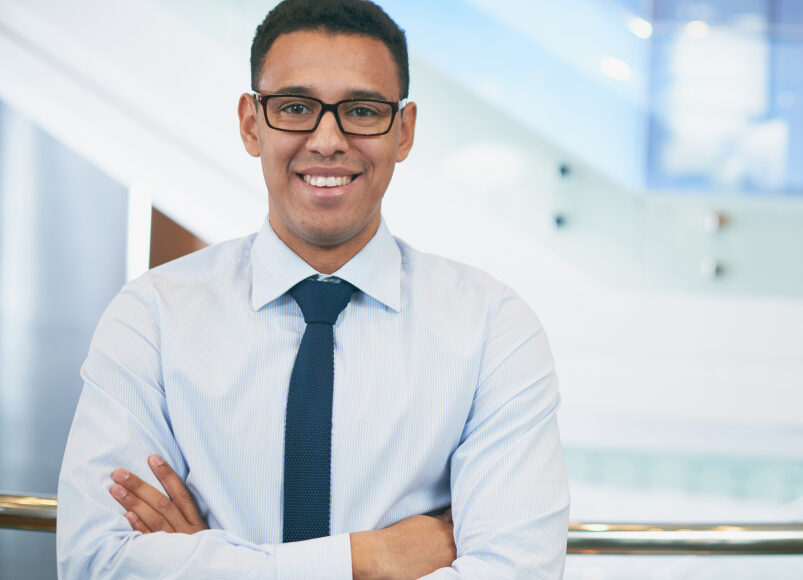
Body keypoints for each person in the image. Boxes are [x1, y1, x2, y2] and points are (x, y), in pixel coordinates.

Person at [56, 0, 570, 578]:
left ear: (403, 131)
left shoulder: (491, 328)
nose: (327, 140)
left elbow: (514, 571)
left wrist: (213, 562)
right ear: (252, 124)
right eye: (296, 107)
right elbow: (96, 561)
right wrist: (371, 558)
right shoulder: (150, 316)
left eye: (362, 109)